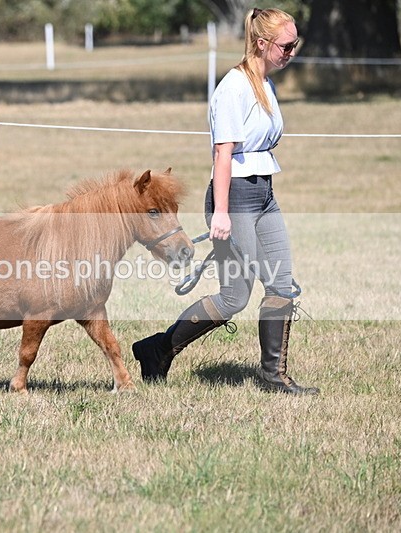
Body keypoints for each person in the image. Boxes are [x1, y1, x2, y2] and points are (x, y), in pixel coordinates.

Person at [133, 7, 319, 395]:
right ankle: (159, 349)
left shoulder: (264, 84)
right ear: (262, 42)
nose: (292, 52)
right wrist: (220, 212)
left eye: (294, 44)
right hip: (234, 197)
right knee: (235, 297)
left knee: (281, 283)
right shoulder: (233, 88)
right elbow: (222, 155)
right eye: (286, 45)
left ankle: (273, 376)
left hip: (263, 193)